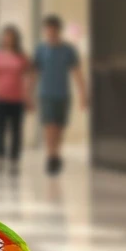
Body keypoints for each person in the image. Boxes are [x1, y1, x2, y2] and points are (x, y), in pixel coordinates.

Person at [34, 14, 88, 175]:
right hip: (46, 94)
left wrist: (83, 94)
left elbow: (77, 73)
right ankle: (51, 156)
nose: (50, 33)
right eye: (48, 30)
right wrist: (28, 93)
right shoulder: (41, 50)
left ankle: (56, 154)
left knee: (59, 128)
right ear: (45, 31)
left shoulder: (68, 50)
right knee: (49, 126)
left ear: (59, 30)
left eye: (53, 30)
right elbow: (34, 74)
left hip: (63, 95)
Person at [0, 25, 31, 176]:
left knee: (16, 131)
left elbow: (29, 77)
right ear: (2, 38)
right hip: (0, 98)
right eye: (5, 36)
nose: (8, 39)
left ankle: (14, 161)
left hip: (17, 99)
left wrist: (29, 95)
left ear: (15, 38)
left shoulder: (22, 57)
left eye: (10, 36)